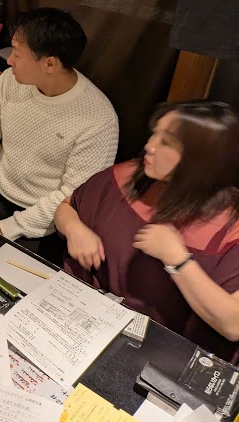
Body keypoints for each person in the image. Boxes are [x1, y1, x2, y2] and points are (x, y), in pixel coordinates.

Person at [56, 102, 239, 360]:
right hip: (84, 322)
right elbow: (66, 207)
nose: (149, 146)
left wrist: (177, 258)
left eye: (166, 142)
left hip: (162, 358)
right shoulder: (131, 175)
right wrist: (74, 229)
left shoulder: (231, 225)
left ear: (202, 158)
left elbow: (233, 325)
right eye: (155, 133)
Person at [0, 8, 118, 262]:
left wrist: (5, 229)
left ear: (49, 64)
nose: (9, 60)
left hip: (45, 225)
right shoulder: (9, 81)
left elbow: (71, 195)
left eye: (17, 53)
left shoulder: (98, 118)